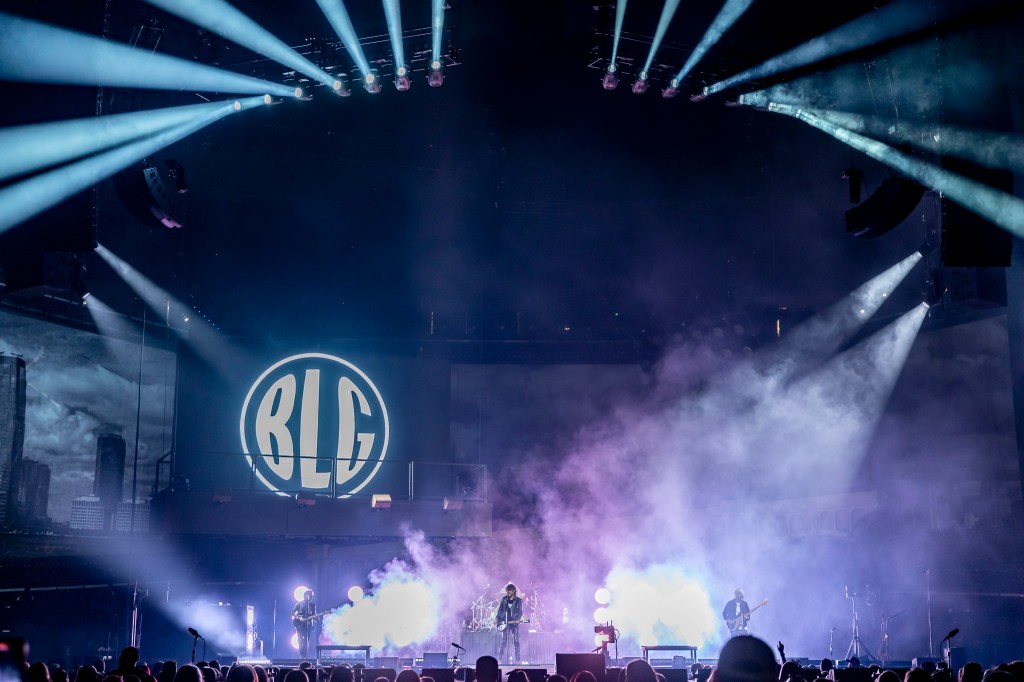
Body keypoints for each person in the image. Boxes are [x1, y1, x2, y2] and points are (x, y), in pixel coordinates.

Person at [495, 583, 526, 664]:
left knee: (516, 641)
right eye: (507, 590)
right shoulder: (504, 599)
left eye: (509, 590)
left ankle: (518, 660)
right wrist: (497, 618)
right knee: (503, 641)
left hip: (514, 623)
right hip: (505, 622)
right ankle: (500, 659)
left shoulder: (519, 601)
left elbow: (520, 612)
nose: (508, 592)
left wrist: (517, 620)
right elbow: (500, 610)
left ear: (513, 591)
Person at [292, 589, 318, 659]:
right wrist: (299, 618)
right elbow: (292, 613)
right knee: (300, 640)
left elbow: (314, 615)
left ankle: (305, 656)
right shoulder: (299, 604)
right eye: (308, 595)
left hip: (308, 625)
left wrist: (316, 618)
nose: (310, 597)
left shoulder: (312, 606)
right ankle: (301, 655)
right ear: (305, 595)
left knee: (306, 640)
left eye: (311, 596)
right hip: (299, 625)